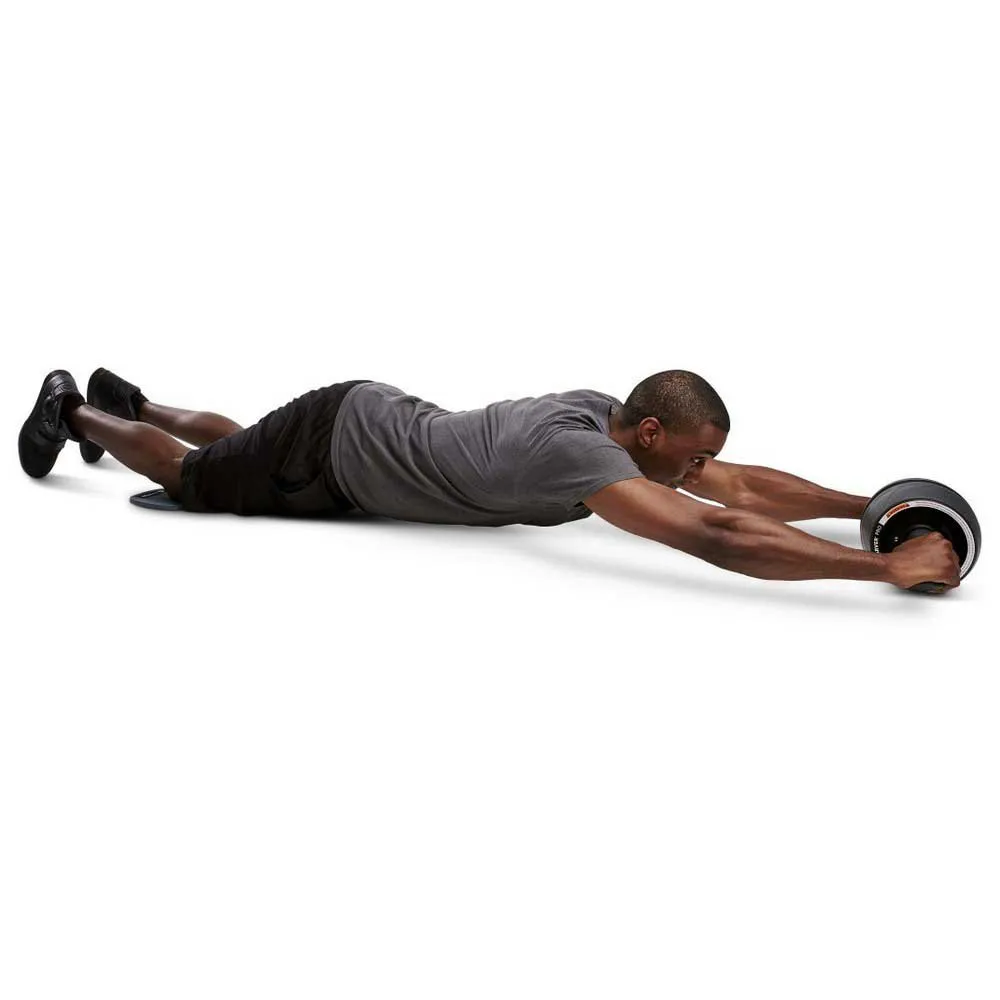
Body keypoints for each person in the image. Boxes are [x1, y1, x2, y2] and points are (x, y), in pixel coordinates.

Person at [19, 366, 960, 592]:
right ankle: (77, 411)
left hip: (356, 426)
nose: (699, 474)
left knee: (246, 448)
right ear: (647, 433)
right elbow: (714, 532)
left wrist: (871, 507)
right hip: (340, 452)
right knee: (198, 479)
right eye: (689, 459)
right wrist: (881, 568)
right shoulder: (585, 456)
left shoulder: (609, 415)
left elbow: (740, 489)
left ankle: (136, 399)